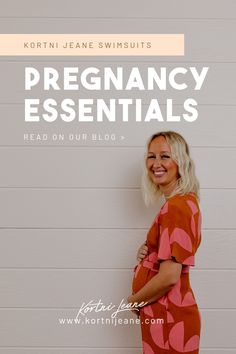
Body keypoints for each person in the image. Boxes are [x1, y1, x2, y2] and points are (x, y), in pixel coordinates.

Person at [127, 131, 202, 354]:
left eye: (165, 156)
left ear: (181, 161)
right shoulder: (185, 202)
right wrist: (150, 251)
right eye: (151, 157)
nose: (156, 164)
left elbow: (169, 276)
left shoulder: (176, 207)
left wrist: (133, 302)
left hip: (169, 319)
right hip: (166, 316)